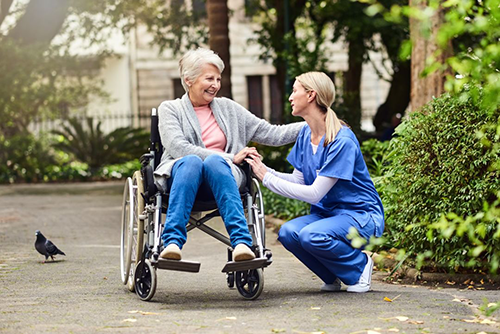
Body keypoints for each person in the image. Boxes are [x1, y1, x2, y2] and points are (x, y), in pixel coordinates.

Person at [153, 48, 304, 262]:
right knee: (191, 161)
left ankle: (241, 243)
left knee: (214, 161)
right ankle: (172, 243)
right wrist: (229, 157)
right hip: (183, 178)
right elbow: (178, 147)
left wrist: (313, 124)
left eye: (218, 79)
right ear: (189, 80)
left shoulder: (228, 108)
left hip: (224, 177)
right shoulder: (170, 109)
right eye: (209, 78)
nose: (215, 84)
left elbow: (272, 133)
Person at [246, 71, 384, 292]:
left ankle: (359, 266)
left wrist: (267, 177)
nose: (290, 97)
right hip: (326, 215)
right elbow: (298, 180)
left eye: (295, 90)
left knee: (312, 235)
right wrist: (259, 169)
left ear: (311, 95)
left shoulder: (342, 139)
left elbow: (314, 193)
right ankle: (334, 275)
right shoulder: (305, 135)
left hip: (360, 216)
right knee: (288, 233)